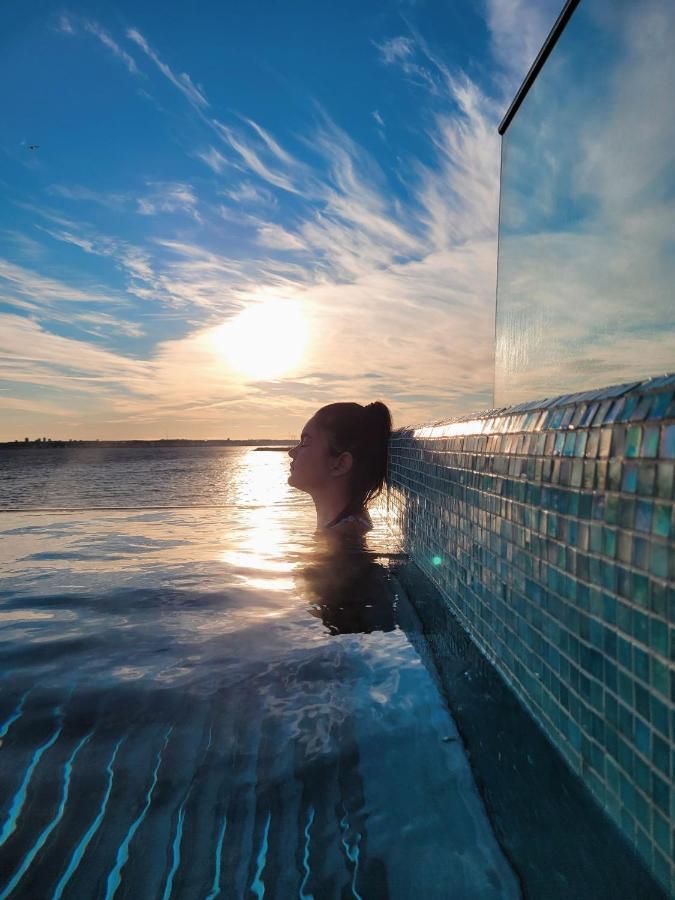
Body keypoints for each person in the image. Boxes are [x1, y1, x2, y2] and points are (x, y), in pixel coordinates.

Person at [287, 401, 392, 536]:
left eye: (305, 442)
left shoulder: (343, 539)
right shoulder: (345, 527)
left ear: (340, 464)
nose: (291, 452)